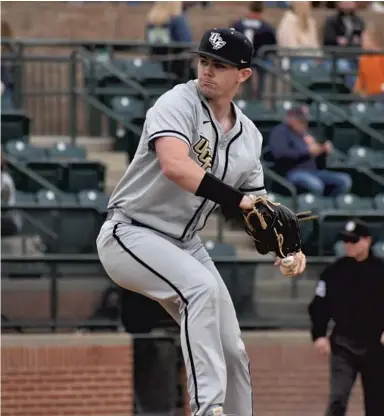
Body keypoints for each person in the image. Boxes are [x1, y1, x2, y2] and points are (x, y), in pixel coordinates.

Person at [96, 27, 306, 416]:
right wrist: (240, 200)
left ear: (243, 74)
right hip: (130, 231)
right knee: (200, 288)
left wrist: (287, 246)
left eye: (220, 65)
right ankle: (208, 409)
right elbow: (175, 166)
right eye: (205, 61)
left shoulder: (250, 137)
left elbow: (257, 206)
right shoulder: (178, 102)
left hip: (185, 243)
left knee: (233, 351)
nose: (208, 70)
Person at [308, 219, 384, 416]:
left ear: (367, 241)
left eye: (354, 241)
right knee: (338, 398)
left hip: (376, 345)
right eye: (346, 241)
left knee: (377, 402)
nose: (348, 245)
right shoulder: (334, 271)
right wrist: (319, 334)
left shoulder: (381, 270)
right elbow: (319, 304)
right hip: (343, 345)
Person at [268, 106, 352, 196]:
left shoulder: (305, 133)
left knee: (344, 180)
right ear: (290, 118)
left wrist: (323, 150)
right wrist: (307, 152)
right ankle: (313, 207)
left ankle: (327, 206)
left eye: (303, 119)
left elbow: (318, 159)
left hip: (313, 171)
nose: (303, 122)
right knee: (316, 185)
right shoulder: (280, 131)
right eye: (299, 118)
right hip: (292, 171)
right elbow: (279, 154)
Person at [231, 1, 277, 97]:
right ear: (262, 10)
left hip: (241, 61)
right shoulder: (266, 28)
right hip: (259, 62)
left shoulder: (238, 25)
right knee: (260, 86)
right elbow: (273, 47)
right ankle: (258, 102)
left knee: (243, 84)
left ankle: (245, 102)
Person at [354, 22, 384, 99]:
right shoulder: (363, 59)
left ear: (374, 40)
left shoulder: (381, 56)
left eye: (364, 38)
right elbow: (359, 85)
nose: (361, 41)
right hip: (369, 99)